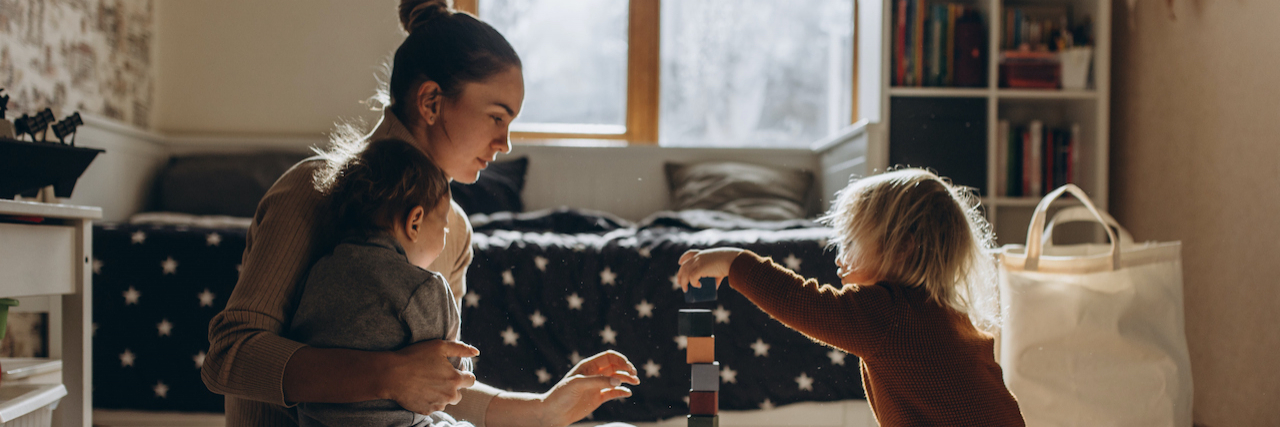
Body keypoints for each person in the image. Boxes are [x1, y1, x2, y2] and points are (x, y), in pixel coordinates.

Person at [201, 1, 640, 426]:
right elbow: (230, 357)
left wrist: (543, 409)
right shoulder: (312, 190)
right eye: (496, 117)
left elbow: (433, 387)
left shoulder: (455, 230)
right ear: (430, 102)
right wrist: (387, 374)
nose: (505, 143)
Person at [674, 169, 1025, 426]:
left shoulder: (889, 313)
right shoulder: (944, 314)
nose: (840, 257)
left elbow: (802, 301)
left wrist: (734, 262)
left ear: (902, 248)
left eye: (852, 244)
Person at [287, 137, 470, 427]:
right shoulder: (424, 288)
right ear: (415, 222)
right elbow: (450, 372)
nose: (446, 235)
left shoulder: (317, 271)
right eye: (444, 224)